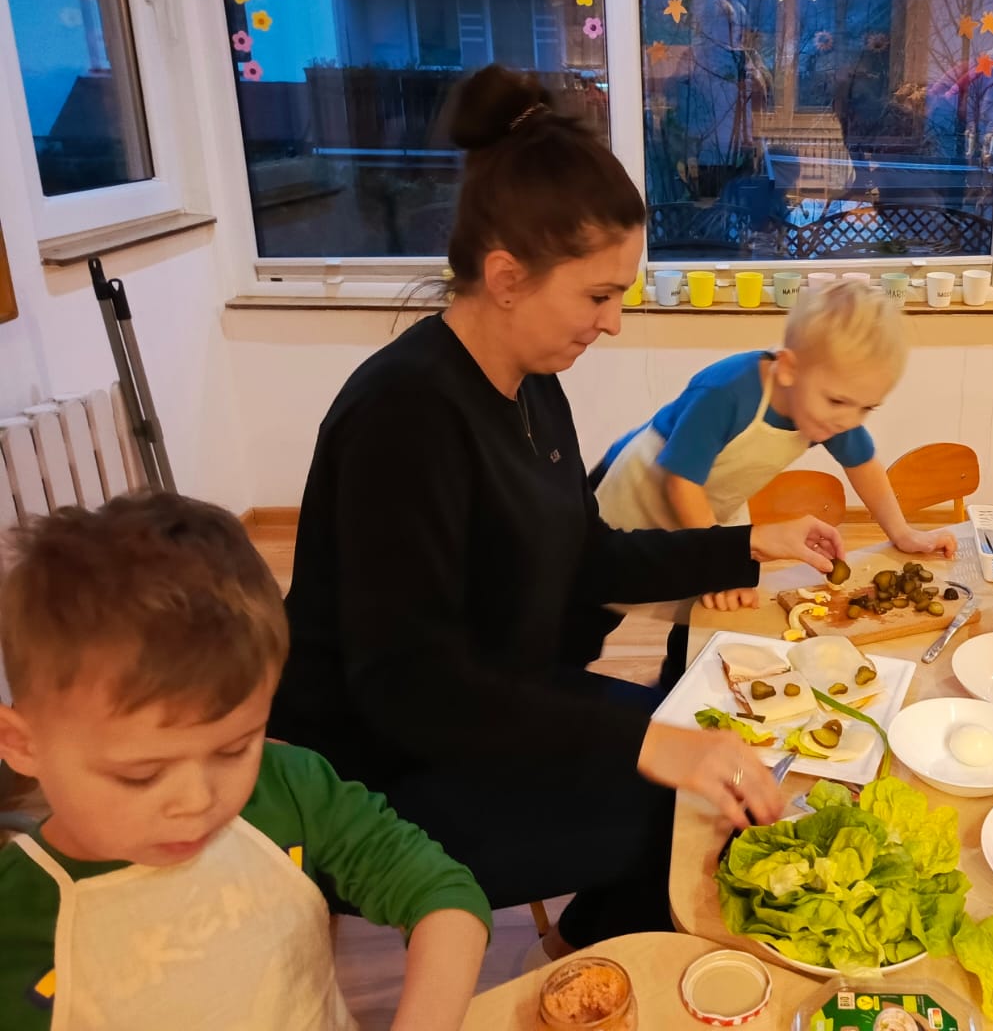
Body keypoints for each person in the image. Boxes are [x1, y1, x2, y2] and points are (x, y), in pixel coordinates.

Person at [270, 65, 836, 956]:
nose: (613, 323)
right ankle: (603, 972)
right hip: (379, 775)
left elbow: (585, 555)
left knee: (696, 744)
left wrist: (747, 543)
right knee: (685, 805)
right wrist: (648, 746)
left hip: (493, 706)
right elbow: (409, 688)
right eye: (599, 296)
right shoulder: (403, 417)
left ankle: (587, 950)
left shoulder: (530, 384)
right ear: (506, 277)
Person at [0, 494, 491, 1031]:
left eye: (234, 748)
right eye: (141, 775)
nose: (198, 800)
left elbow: (441, 894)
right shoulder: (16, 925)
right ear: (23, 744)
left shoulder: (290, 790)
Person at [594, 278, 958, 616]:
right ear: (787, 370)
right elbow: (681, 483)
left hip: (710, 509)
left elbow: (863, 463)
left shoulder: (827, 405)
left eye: (867, 408)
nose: (849, 421)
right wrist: (719, 565)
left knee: (708, 608)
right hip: (638, 495)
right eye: (838, 402)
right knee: (599, 599)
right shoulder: (726, 392)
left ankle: (681, 663)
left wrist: (902, 533)